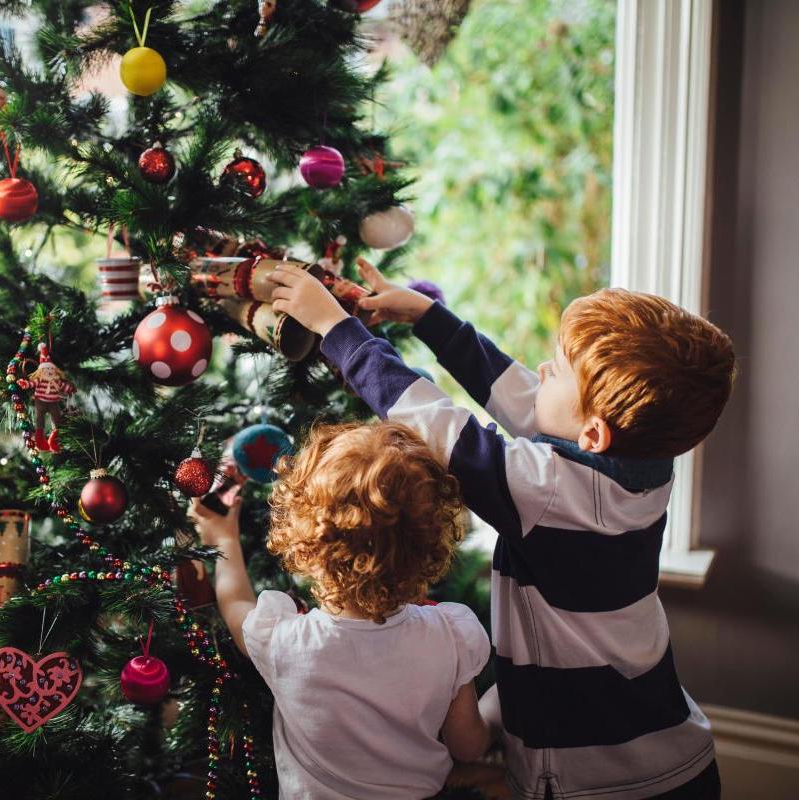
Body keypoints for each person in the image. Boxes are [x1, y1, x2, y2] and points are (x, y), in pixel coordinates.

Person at [266, 259, 735, 800]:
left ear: (594, 432)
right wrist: (430, 318)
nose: (539, 369)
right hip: (672, 753)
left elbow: (437, 425)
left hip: (604, 779)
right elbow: (522, 398)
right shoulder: (640, 467)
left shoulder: (551, 494)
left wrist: (337, 331)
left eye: (555, 370)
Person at [188, 420, 492, 800]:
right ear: (429, 546)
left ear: (305, 546)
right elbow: (468, 746)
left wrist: (223, 537)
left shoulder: (285, 642)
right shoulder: (451, 636)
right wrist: (496, 708)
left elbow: (235, 602)